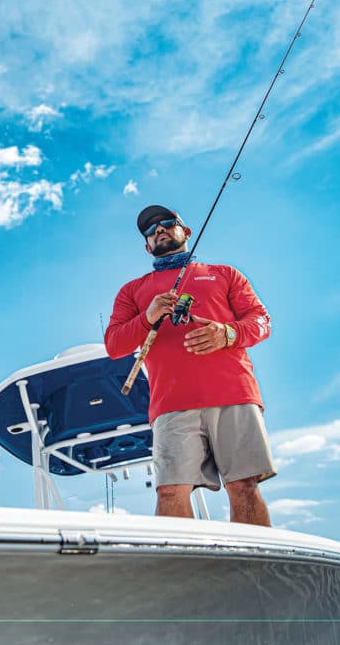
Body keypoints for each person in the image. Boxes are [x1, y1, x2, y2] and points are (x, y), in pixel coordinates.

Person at [104, 205, 275, 526]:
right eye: (151, 231)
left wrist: (227, 332)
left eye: (168, 223)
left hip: (234, 393)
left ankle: (255, 572)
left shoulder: (226, 274)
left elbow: (262, 321)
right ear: (146, 246)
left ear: (187, 231)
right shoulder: (132, 291)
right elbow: (114, 345)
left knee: (243, 485)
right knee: (170, 491)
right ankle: (181, 575)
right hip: (171, 404)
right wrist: (148, 316)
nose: (159, 230)